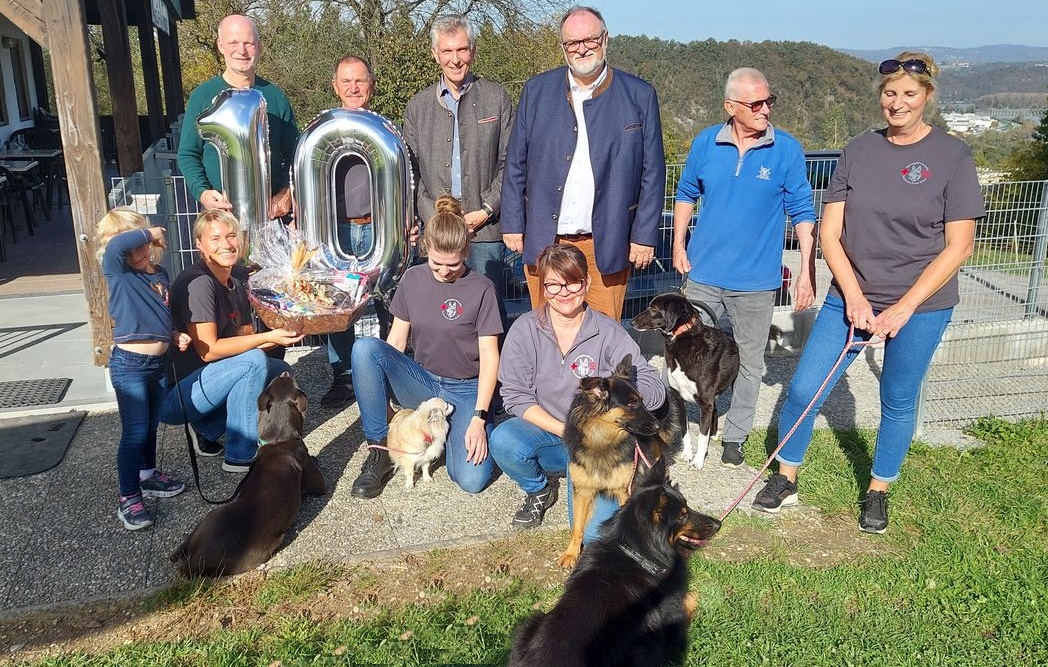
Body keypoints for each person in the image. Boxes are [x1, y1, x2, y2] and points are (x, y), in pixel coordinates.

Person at [753, 52, 984, 534]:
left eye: (909, 95)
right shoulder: (858, 150)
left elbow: (959, 246)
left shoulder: (953, 156)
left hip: (921, 304)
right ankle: (786, 476)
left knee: (898, 398)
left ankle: (878, 490)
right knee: (804, 388)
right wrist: (855, 298)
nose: (897, 103)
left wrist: (903, 307)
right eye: (890, 93)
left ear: (927, 99)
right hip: (850, 295)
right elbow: (831, 234)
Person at [671, 67, 817, 468]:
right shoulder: (705, 142)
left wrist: (807, 268)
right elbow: (685, 193)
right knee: (690, 355)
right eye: (757, 103)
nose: (766, 109)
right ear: (731, 107)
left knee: (750, 362)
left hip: (755, 283)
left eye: (770, 101)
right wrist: (678, 242)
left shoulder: (786, 150)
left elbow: (802, 210)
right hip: (702, 276)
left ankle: (735, 436)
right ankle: (697, 422)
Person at [488, 244, 665, 540]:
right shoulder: (524, 330)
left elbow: (652, 385)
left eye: (572, 282)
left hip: (600, 446)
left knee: (598, 538)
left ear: (587, 282)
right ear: (543, 287)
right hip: (551, 430)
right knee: (504, 440)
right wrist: (567, 431)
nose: (564, 292)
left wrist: (626, 395)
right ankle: (539, 489)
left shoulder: (608, 332)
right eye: (554, 284)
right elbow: (515, 396)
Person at [501, 5, 665, 322]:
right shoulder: (537, 91)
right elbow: (515, 163)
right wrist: (512, 223)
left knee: (603, 338)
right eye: (572, 43)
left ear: (605, 39)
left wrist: (644, 235)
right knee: (546, 336)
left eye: (589, 39)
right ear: (563, 47)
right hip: (546, 240)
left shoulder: (639, 96)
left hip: (608, 241)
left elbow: (653, 173)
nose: (582, 48)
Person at [348, 195, 502, 498]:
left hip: (466, 387)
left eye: (454, 265)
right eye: (436, 264)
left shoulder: (483, 288)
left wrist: (479, 419)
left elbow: (489, 356)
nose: (445, 271)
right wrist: (385, 393)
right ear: (426, 250)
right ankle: (379, 450)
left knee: (471, 480)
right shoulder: (412, 279)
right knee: (365, 349)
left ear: (467, 252)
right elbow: (395, 342)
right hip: (424, 381)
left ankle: (459, 432)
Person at [160, 210, 304, 472]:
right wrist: (268, 337)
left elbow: (245, 338)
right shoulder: (200, 283)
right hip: (178, 396)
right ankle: (240, 454)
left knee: (279, 372)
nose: (226, 245)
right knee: (253, 361)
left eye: (231, 236)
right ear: (199, 244)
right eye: (215, 239)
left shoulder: (235, 283)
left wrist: (283, 334)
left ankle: (207, 425)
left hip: (209, 382)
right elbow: (209, 351)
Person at [404, 14, 514, 325]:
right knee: (438, 316)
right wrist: (434, 218)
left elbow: (512, 162)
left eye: (462, 50)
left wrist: (487, 209)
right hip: (436, 232)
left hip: (485, 230)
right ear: (435, 54)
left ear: (473, 52)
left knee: (490, 313)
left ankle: (491, 374)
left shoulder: (497, 98)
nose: (455, 60)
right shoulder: (417, 106)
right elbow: (411, 172)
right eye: (448, 51)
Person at [97, 209, 190, 530]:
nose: (139, 251)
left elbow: (159, 315)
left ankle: (147, 474)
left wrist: (174, 334)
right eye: (133, 245)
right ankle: (128, 495)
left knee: (151, 426)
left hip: (158, 364)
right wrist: (150, 232)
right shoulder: (118, 272)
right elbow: (116, 247)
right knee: (134, 432)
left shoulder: (159, 274)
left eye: (144, 245)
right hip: (130, 366)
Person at [321, 54, 394, 408]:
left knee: (389, 303)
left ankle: (390, 370)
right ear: (335, 87)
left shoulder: (388, 130)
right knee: (338, 307)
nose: (353, 88)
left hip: (382, 228)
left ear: (372, 86)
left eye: (360, 81)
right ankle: (344, 377)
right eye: (346, 81)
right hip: (339, 231)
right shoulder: (323, 133)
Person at [177, 14, 298, 219]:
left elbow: (296, 155)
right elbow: (188, 154)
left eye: (248, 43)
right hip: (222, 221)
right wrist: (203, 192)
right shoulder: (202, 96)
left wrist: (286, 193)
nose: (241, 50)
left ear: (259, 47)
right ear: (220, 45)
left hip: (271, 218)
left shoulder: (276, 97)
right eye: (233, 42)